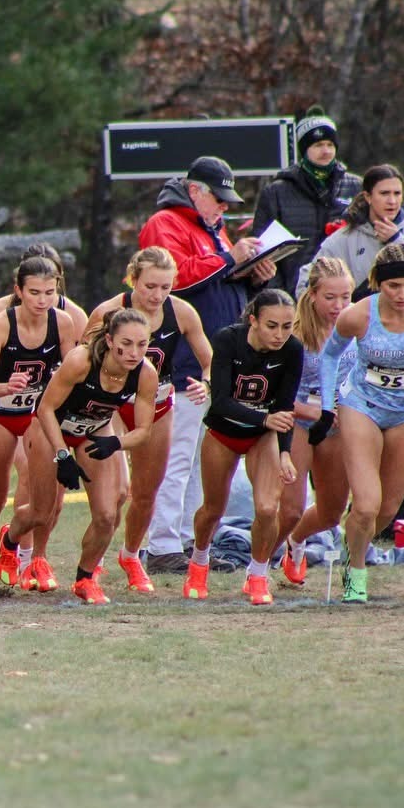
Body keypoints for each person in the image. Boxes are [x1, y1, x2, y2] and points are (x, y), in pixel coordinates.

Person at [137, 155, 274, 573]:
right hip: (178, 365)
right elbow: (173, 282)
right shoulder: (167, 223)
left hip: (210, 367)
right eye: (218, 198)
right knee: (176, 458)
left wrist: (253, 274)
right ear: (195, 191)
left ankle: (184, 539)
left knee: (201, 458)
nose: (224, 208)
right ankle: (160, 543)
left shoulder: (209, 228)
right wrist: (230, 258)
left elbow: (215, 283)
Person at [83, 248, 212, 594]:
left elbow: (209, 359)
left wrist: (206, 383)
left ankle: (130, 555)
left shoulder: (181, 312)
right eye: (149, 287)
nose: (157, 296)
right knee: (114, 494)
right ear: (133, 280)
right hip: (110, 406)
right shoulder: (108, 313)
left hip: (156, 403)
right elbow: (80, 358)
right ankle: (91, 565)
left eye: (165, 287)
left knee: (146, 492)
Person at [0, 243, 88, 581]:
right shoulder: (1, 321)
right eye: (34, 292)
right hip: (1, 412)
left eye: (49, 292)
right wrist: (7, 386)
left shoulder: (65, 322)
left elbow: (73, 372)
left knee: (49, 498)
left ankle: (37, 558)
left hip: (40, 415)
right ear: (19, 290)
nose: (42, 299)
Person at [26, 309, 158, 604]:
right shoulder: (81, 361)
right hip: (51, 427)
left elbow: (144, 431)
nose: (134, 353)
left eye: (142, 344)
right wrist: (62, 455)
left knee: (107, 515)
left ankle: (84, 579)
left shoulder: (146, 373)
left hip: (93, 431)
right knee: (40, 511)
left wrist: (116, 443)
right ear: (110, 340)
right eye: (127, 343)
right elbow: (45, 409)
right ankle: (10, 541)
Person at [314, 242, 404, 604]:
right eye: (394, 286)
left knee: (388, 509)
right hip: (361, 406)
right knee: (366, 504)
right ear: (378, 283)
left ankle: (352, 543)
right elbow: (329, 356)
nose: (402, 293)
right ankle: (355, 573)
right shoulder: (358, 315)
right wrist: (328, 406)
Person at [189, 290, 302, 605]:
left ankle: (257, 574)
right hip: (224, 431)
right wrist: (267, 420)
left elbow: (285, 406)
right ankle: (199, 562)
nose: (279, 334)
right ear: (253, 320)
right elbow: (222, 401)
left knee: (267, 508)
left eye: (286, 326)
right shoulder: (228, 339)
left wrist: (284, 453)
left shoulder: (292, 349)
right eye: (272, 325)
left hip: (261, 436)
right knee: (213, 508)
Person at [275, 258, 355, 587]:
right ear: (312, 296)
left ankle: (296, 543)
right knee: (291, 508)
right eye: (330, 298)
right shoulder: (294, 336)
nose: (338, 306)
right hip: (299, 420)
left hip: (337, 423)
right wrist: (312, 412)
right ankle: (260, 564)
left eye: (346, 297)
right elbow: (278, 395)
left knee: (332, 512)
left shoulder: (357, 328)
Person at [252, 106, 362, 294]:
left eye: (330, 145)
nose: (326, 151)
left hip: (347, 294)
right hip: (294, 295)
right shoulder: (277, 191)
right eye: (318, 145)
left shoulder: (357, 187)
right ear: (304, 149)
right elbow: (264, 252)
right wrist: (280, 297)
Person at [307, 165, 404, 298]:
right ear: (368, 197)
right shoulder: (344, 238)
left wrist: (397, 241)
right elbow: (308, 281)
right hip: (360, 316)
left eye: (397, 193)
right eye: (384, 193)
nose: (392, 201)